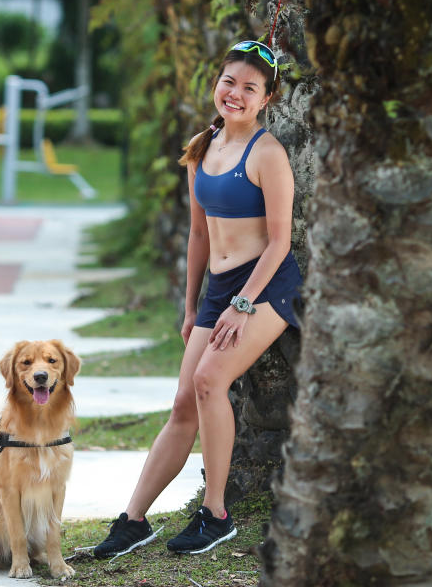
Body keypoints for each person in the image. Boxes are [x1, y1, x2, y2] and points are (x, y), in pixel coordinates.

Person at [93, 40, 303, 557]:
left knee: (211, 380)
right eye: (229, 81)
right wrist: (193, 307)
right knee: (183, 402)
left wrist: (244, 304)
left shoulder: (268, 154)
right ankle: (134, 519)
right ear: (217, 83)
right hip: (218, 290)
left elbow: (280, 242)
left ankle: (216, 514)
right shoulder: (202, 147)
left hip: (266, 285)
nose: (235, 93)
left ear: (266, 100)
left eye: (249, 88)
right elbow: (198, 235)